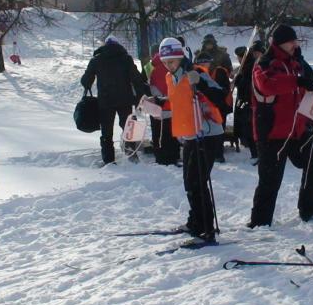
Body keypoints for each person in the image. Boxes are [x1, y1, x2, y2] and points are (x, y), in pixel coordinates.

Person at [248, 25, 313, 227]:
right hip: (273, 132)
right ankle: (259, 222)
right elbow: (267, 85)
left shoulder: (297, 64)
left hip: (298, 130)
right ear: (280, 43)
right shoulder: (264, 63)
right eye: (291, 41)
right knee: (270, 180)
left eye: (296, 41)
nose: (296, 44)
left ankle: (309, 209)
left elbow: (304, 97)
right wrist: (298, 81)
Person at [158, 37, 228, 246]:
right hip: (189, 134)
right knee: (190, 182)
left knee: (198, 182)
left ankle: (206, 229)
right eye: (165, 62)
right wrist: (158, 102)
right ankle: (195, 222)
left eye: (172, 61)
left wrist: (201, 83)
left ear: (181, 57)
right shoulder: (171, 77)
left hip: (206, 134)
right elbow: (178, 101)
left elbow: (220, 95)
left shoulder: (196, 72)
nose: (169, 66)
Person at [80, 35, 147, 165]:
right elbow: (137, 79)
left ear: (105, 45)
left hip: (105, 102)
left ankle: (109, 161)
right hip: (125, 100)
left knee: (106, 131)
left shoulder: (97, 60)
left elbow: (85, 81)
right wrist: (140, 97)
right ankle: (131, 156)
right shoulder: (126, 59)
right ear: (118, 45)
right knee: (128, 126)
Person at [146, 43, 181, 166]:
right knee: (173, 131)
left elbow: (146, 84)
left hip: (156, 104)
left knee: (158, 132)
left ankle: (160, 156)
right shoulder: (173, 64)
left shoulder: (149, 66)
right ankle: (174, 155)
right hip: (172, 103)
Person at [233, 40, 265, 163]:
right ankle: (254, 152)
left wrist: (238, 81)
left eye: (240, 57)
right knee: (248, 129)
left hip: (251, 102)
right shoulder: (246, 66)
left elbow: (248, 84)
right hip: (245, 102)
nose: (238, 59)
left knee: (252, 130)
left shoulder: (252, 66)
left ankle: (256, 154)